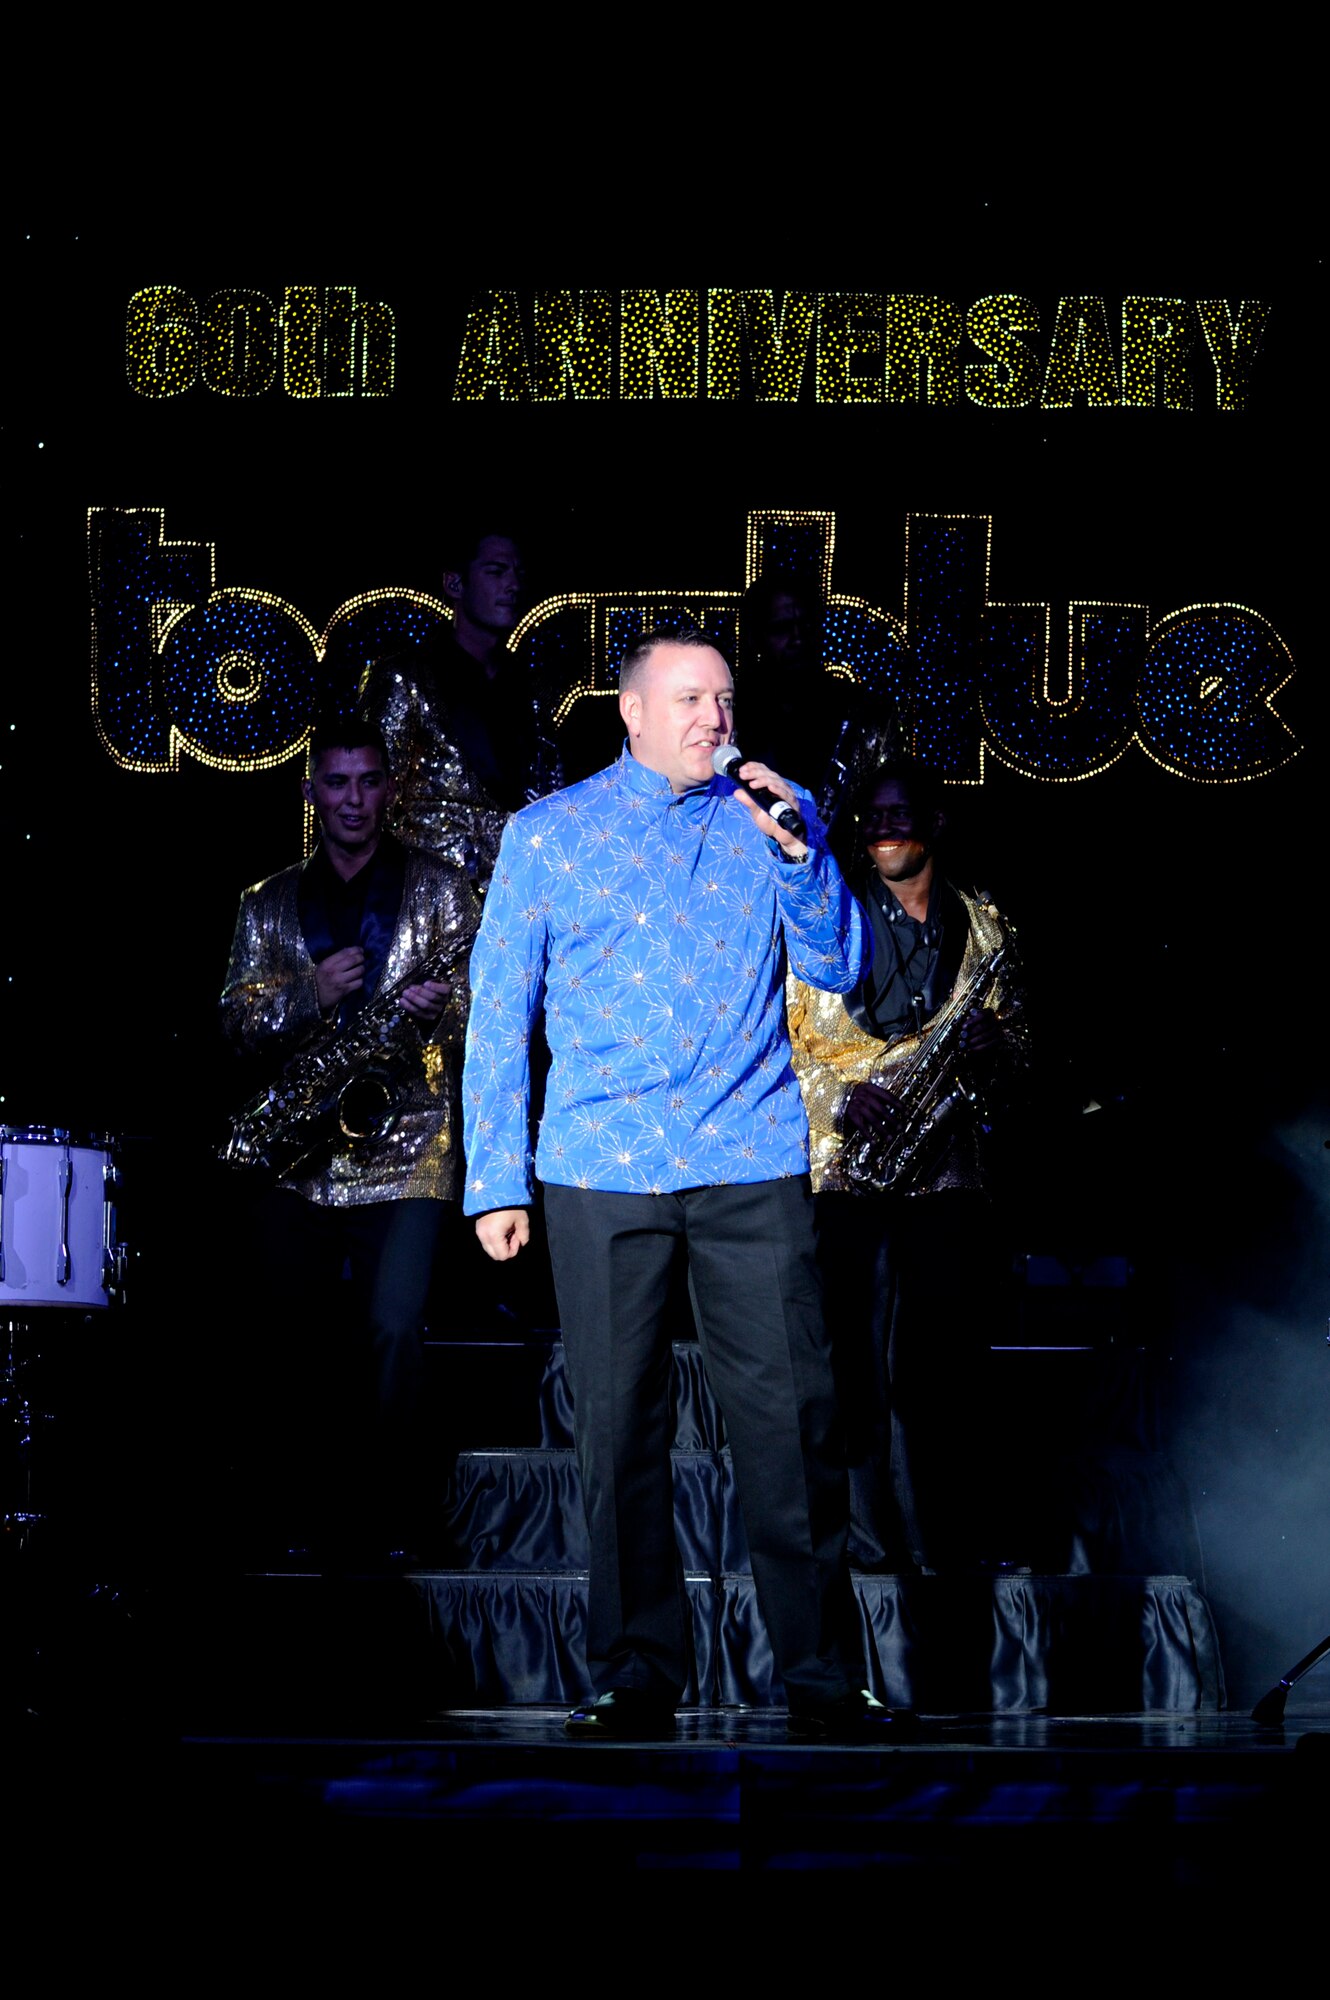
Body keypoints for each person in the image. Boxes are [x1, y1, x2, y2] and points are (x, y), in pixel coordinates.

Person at [462, 623, 911, 1741]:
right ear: (633, 711)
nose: (716, 717)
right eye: (692, 699)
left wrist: (803, 856)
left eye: (724, 699)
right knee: (618, 1426)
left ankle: (821, 1673)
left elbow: (839, 966)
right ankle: (634, 1671)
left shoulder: (770, 820)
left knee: (791, 1420)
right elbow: (498, 1015)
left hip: (746, 1159)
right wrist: (493, 1180)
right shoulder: (548, 835)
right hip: (599, 1163)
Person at [218, 722, 480, 1566]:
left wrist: (443, 1012)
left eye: (369, 781)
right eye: (337, 783)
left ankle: (397, 1513)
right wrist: (308, 993)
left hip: (410, 1144)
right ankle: (302, 1514)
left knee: (394, 1327)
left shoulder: (442, 890)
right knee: (289, 1339)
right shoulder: (266, 900)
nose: (355, 800)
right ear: (311, 793)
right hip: (297, 1155)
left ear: (390, 788)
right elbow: (234, 1024)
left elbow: (489, 1011)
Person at [787, 756, 1028, 1575]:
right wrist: (840, 1097)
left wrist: (999, 1047)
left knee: (942, 1367)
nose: (886, 827)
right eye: (874, 815)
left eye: (902, 813)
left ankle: (942, 1537)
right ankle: (864, 1536)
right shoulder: (825, 916)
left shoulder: (984, 924)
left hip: (947, 1173)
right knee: (851, 1362)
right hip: (850, 1170)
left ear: (937, 824)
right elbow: (782, 1039)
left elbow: (1019, 1049)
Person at [358, 525, 558, 889]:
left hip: (520, 896)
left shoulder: (533, 688)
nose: (513, 585)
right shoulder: (405, 677)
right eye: (496, 571)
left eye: (519, 573)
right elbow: (370, 801)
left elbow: (549, 797)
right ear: (454, 583)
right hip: (424, 899)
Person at [736, 568, 857, 811]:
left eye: (807, 625)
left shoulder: (855, 708)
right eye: (782, 628)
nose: (799, 638)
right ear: (755, 638)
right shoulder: (731, 711)